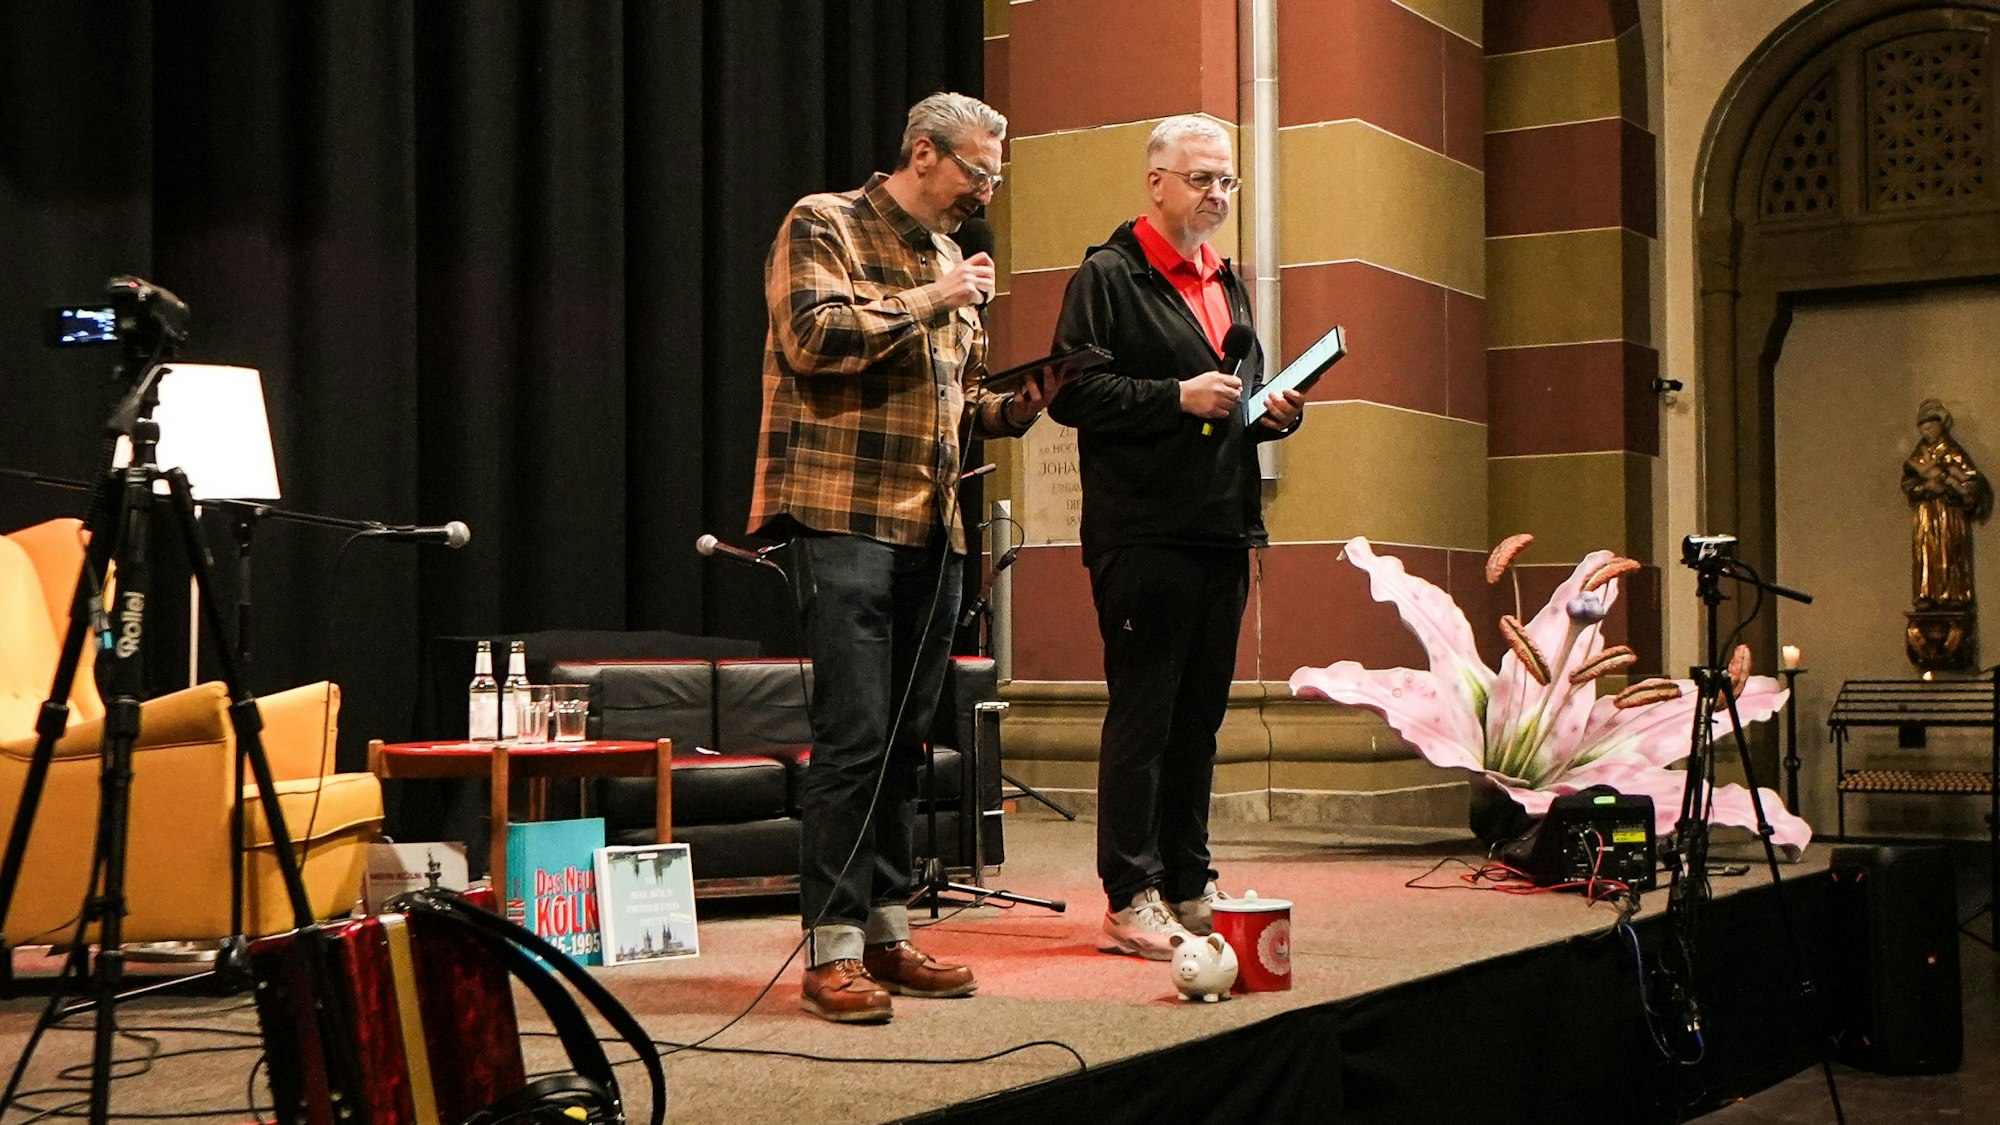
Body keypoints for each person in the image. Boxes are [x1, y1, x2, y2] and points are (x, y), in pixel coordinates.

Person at [751, 92, 1063, 1023]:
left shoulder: (946, 261)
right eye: (977, 169)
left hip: (938, 527)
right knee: (852, 738)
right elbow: (813, 337)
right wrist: (938, 296)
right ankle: (832, 949)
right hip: (843, 515)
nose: (986, 189)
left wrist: (1021, 403)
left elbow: (962, 403)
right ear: (923, 154)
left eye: (997, 174)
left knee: (905, 745)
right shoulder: (826, 222)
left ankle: (886, 931)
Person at [1047, 115, 1306, 960]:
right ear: (1155, 181)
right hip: (1143, 528)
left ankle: (1190, 881)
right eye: (1201, 179)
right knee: (1145, 714)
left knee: (1200, 716)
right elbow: (1071, 394)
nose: (1218, 194)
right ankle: (1131, 893)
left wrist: (1270, 413)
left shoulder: (1227, 280)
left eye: (1227, 181)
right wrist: (1175, 399)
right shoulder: (1108, 276)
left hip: (1221, 526)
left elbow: (1236, 395)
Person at [1903, 398, 1991, 610]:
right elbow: (1908, 482)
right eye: (1923, 428)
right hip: (1926, 512)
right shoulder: (1919, 452)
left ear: (1941, 425)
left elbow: (1970, 477)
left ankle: (1954, 593)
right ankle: (1926, 593)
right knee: (1925, 550)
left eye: (1930, 427)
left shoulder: (1952, 450)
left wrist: (1961, 488)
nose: (1927, 432)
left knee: (1949, 549)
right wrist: (1925, 487)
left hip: (1949, 513)